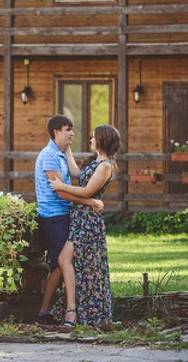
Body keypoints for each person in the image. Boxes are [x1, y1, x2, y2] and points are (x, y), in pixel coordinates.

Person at [34, 115, 104, 326]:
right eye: (67, 130)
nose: (72, 133)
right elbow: (62, 193)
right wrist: (89, 201)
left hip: (64, 214)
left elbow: (74, 175)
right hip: (54, 216)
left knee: (64, 261)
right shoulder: (49, 156)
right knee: (60, 263)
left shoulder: (59, 153)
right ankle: (45, 312)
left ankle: (59, 309)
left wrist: (67, 148)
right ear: (56, 132)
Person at [49, 124, 121, 326]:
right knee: (75, 262)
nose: (90, 139)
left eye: (93, 137)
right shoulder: (94, 161)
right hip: (80, 217)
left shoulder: (106, 165)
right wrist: (67, 146)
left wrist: (62, 186)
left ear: (102, 140)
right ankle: (74, 310)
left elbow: (88, 191)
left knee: (68, 259)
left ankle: (72, 311)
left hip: (89, 221)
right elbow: (75, 171)